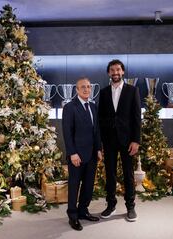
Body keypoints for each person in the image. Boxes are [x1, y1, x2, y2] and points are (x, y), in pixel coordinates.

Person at [98, 59, 141, 222]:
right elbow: (101, 119)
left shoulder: (132, 90)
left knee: (128, 174)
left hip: (127, 140)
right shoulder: (103, 92)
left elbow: (137, 117)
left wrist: (136, 140)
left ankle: (130, 207)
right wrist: (100, 143)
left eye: (118, 70)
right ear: (109, 73)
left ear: (122, 72)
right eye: (112, 70)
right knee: (110, 174)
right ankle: (111, 205)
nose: (115, 73)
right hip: (109, 140)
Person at [62, 77, 103, 231]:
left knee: (88, 186)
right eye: (83, 87)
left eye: (88, 86)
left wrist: (99, 148)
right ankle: (73, 216)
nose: (86, 89)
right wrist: (72, 153)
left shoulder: (93, 106)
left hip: (92, 154)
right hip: (77, 156)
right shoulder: (70, 107)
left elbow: (96, 130)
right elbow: (67, 133)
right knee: (74, 186)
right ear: (77, 90)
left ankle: (83, 211)